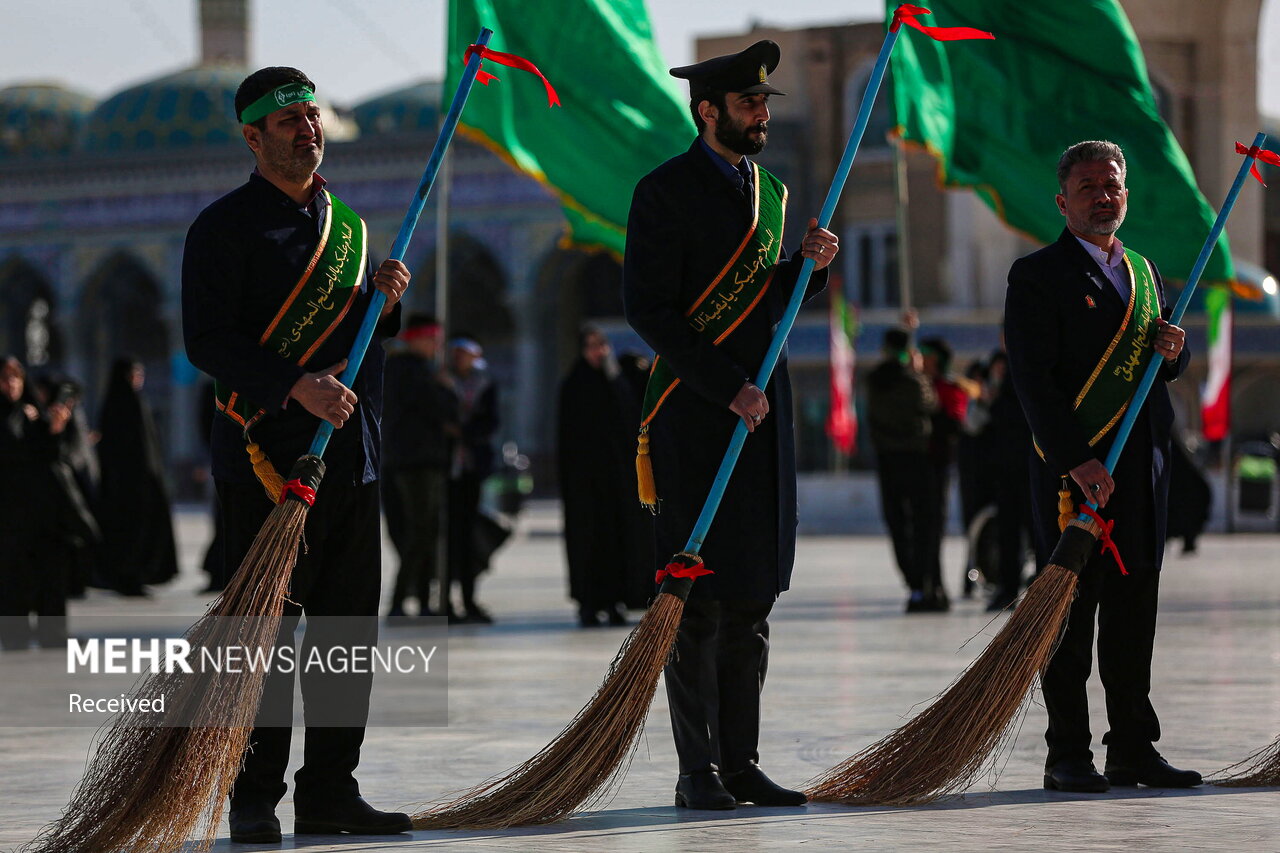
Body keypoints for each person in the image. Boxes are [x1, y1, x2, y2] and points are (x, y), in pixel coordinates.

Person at [182, 66, 413, 841]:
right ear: (253, 137)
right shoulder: (222, 228)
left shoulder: (344, 228)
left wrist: (385, 302)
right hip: (266, 460)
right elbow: (207, 340)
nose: (306, 130)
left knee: (347, 638)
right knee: (267, 645)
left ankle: (330, 790)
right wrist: (293, 387)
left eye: (312, 116)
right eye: (288, 122)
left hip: (351, 457)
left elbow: (359, 342)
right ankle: (254, 799)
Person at [623, 40, 838, 810]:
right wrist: (726, 387)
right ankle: (699, 770)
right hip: (694, 414)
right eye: (749, 104)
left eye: (764, 104)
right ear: (707, 110)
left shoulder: (770, 192)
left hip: (759, 415)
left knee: (751, 600)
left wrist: (809, 270)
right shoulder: (664, 191)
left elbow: (766, 305)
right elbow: (649, 310)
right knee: (699, 600)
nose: (761, 115)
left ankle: (743, 762)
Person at [1004, 140, 1200, 793]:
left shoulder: (1146, 275)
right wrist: (1077, 457)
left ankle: (1134, 747)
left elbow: (1160, 366)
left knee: (1133, 607)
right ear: (1063, 200)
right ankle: (1068, 753)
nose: (1102, 194)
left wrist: (1176, 352)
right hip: (1074, 473)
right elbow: (1033, 383)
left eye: (1111, 183)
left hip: (1140, 468)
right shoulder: (1036, 275)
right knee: (1068, 614)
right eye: (1088, 185)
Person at [557, 324, 653, 627]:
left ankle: (616, 601)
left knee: (618, 539)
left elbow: (632, 419)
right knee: (588, 542)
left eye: (602, 345)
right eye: (591, 346)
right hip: (585, 484)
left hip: (617, 481)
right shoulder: (574, 385)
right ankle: (589, 602)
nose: (599, 352)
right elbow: (567, 438)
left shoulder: (618, 382)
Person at [382, 312, 458, 623]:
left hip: (420, 459)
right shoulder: (409, 371)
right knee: (420, 530)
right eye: (433, 340)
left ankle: (424, 600)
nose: (437, 346)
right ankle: (402, 600)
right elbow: (442, 409)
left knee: (428, 531)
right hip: (415, 461)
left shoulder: (412, 370)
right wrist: (446, 388)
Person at [866, 327, 942, 612]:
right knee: (921, 522)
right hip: (916, 458)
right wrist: (919, 372)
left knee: (897, 522)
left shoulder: (874, 380)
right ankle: (922, 579)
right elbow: (931, 404)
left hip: (887, 459)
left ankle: (912, 581)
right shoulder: (913, 381)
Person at [94, 358, 178, 596]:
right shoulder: (117, 405)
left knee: (144, 530)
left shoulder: (139, 402)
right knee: (127, 532)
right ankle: (125, 577)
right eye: (134, 374)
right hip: (124, 486)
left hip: (143, 482)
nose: (138, 379)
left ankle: (140, 574)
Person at [444, 335, 499, 624]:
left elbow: (490, 423)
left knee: (468, 536)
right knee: (446, 537)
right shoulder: (442, 381)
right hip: (446, 469)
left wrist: (463, 433)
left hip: (471, 469)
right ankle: (443, 600)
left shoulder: (484, 384)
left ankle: (468, 597)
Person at [919, 335, 968, 610]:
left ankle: (935, 584)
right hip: (916, 465)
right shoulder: (915, 385)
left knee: (933, 525)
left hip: (937, 465)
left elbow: (954, 423)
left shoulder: (949, 388)